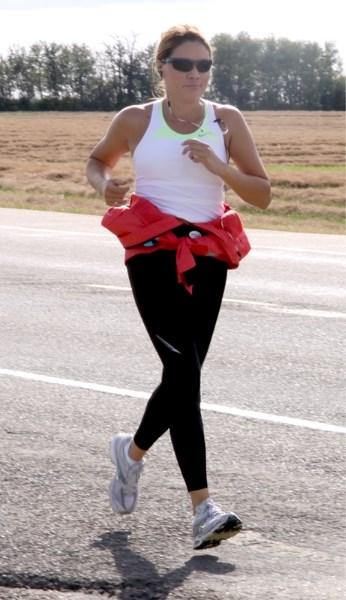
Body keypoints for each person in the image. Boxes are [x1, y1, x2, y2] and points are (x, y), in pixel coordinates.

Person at [86, 23, 271, 551]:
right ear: (162, 67)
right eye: (184, 64)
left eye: (204, 65)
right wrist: (106, 186)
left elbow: (262, 194)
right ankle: (203, 509)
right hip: (152, 252)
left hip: (209, 253)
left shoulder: (226, 121)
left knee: (182, 374)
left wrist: (219, 167)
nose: (196, 74)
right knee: (185, 373)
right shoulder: (136, 120)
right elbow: (98, 160)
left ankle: (132, 452)